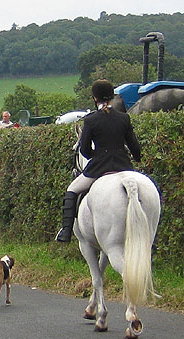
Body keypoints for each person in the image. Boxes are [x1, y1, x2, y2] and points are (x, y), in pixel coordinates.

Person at [55, 79, 142, 243]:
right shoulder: (124, 118)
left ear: (95, 98)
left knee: (72, 190)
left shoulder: (91, 120)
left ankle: (66, 232)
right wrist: (136, 160)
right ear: (112, 96)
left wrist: (96, 155)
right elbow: (135, 148)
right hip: (124, 166)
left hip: (99, 167)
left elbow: (85, 149)